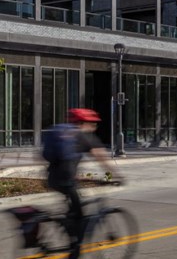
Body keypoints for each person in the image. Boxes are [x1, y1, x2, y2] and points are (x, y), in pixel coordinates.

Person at [46, 108, 122, 257]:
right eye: (92, 123)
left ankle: (68, 230)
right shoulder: (83, 136)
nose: (94, 127)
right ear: (83, 123)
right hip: (66, 181)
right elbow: (101, 158)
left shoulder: (64, 135)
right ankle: (75, 250)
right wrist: (117, 175)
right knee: (80, 216)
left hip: (52, 179)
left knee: (72, 211)